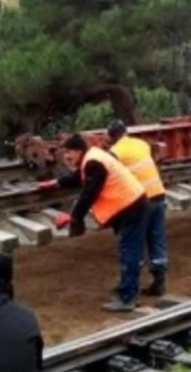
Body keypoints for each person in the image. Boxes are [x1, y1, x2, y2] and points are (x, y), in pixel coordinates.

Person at [44, 133, 147, 312]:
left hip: (130, 206)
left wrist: (73, 216)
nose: (66, 157)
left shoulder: (93, 162)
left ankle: (127, 298)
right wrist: (57, 182)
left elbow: (89, 192)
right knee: (129, 250)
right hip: (131, 204)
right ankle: (127, 290)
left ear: (78, 151)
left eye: (68, 153)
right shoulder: (92, 157)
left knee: (128, 251)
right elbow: (80, 177)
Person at [105, 121, 168, 297]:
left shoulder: (115, 152)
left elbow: (111, 181)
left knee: (131, 244)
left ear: (111, 137)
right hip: (159, 195)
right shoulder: (141, 144)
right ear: (125, 132)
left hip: (139, 201)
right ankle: (159, 283)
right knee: (157, 240)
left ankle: (128, 290)